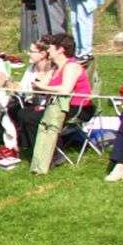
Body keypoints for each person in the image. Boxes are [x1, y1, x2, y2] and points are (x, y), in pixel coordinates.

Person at [29, 33, 91, 174]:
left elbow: (65, 89)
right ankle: (40, 155)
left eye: (50, 48)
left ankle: (53, 155)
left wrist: (41, 87)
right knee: (24, 113)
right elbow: (41, 84)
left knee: (33, 118)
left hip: (77, 108)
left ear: (60, 49)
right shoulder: (55, 67)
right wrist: (38, 83)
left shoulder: (71, 66)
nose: (48, 50)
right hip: (58, 105)